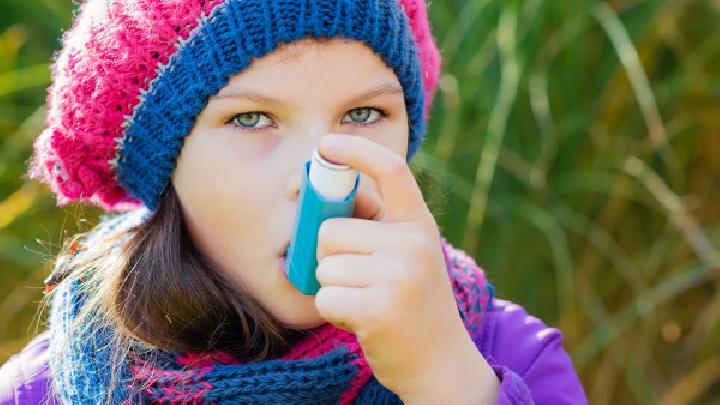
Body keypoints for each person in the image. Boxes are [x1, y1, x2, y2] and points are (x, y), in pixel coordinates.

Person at [0, 0, 588, 403]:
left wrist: (445, 379)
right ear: (166, 169)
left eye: (364, 114)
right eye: (251, 118)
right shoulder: (42, 390)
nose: (318, 176)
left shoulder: (508, 359)